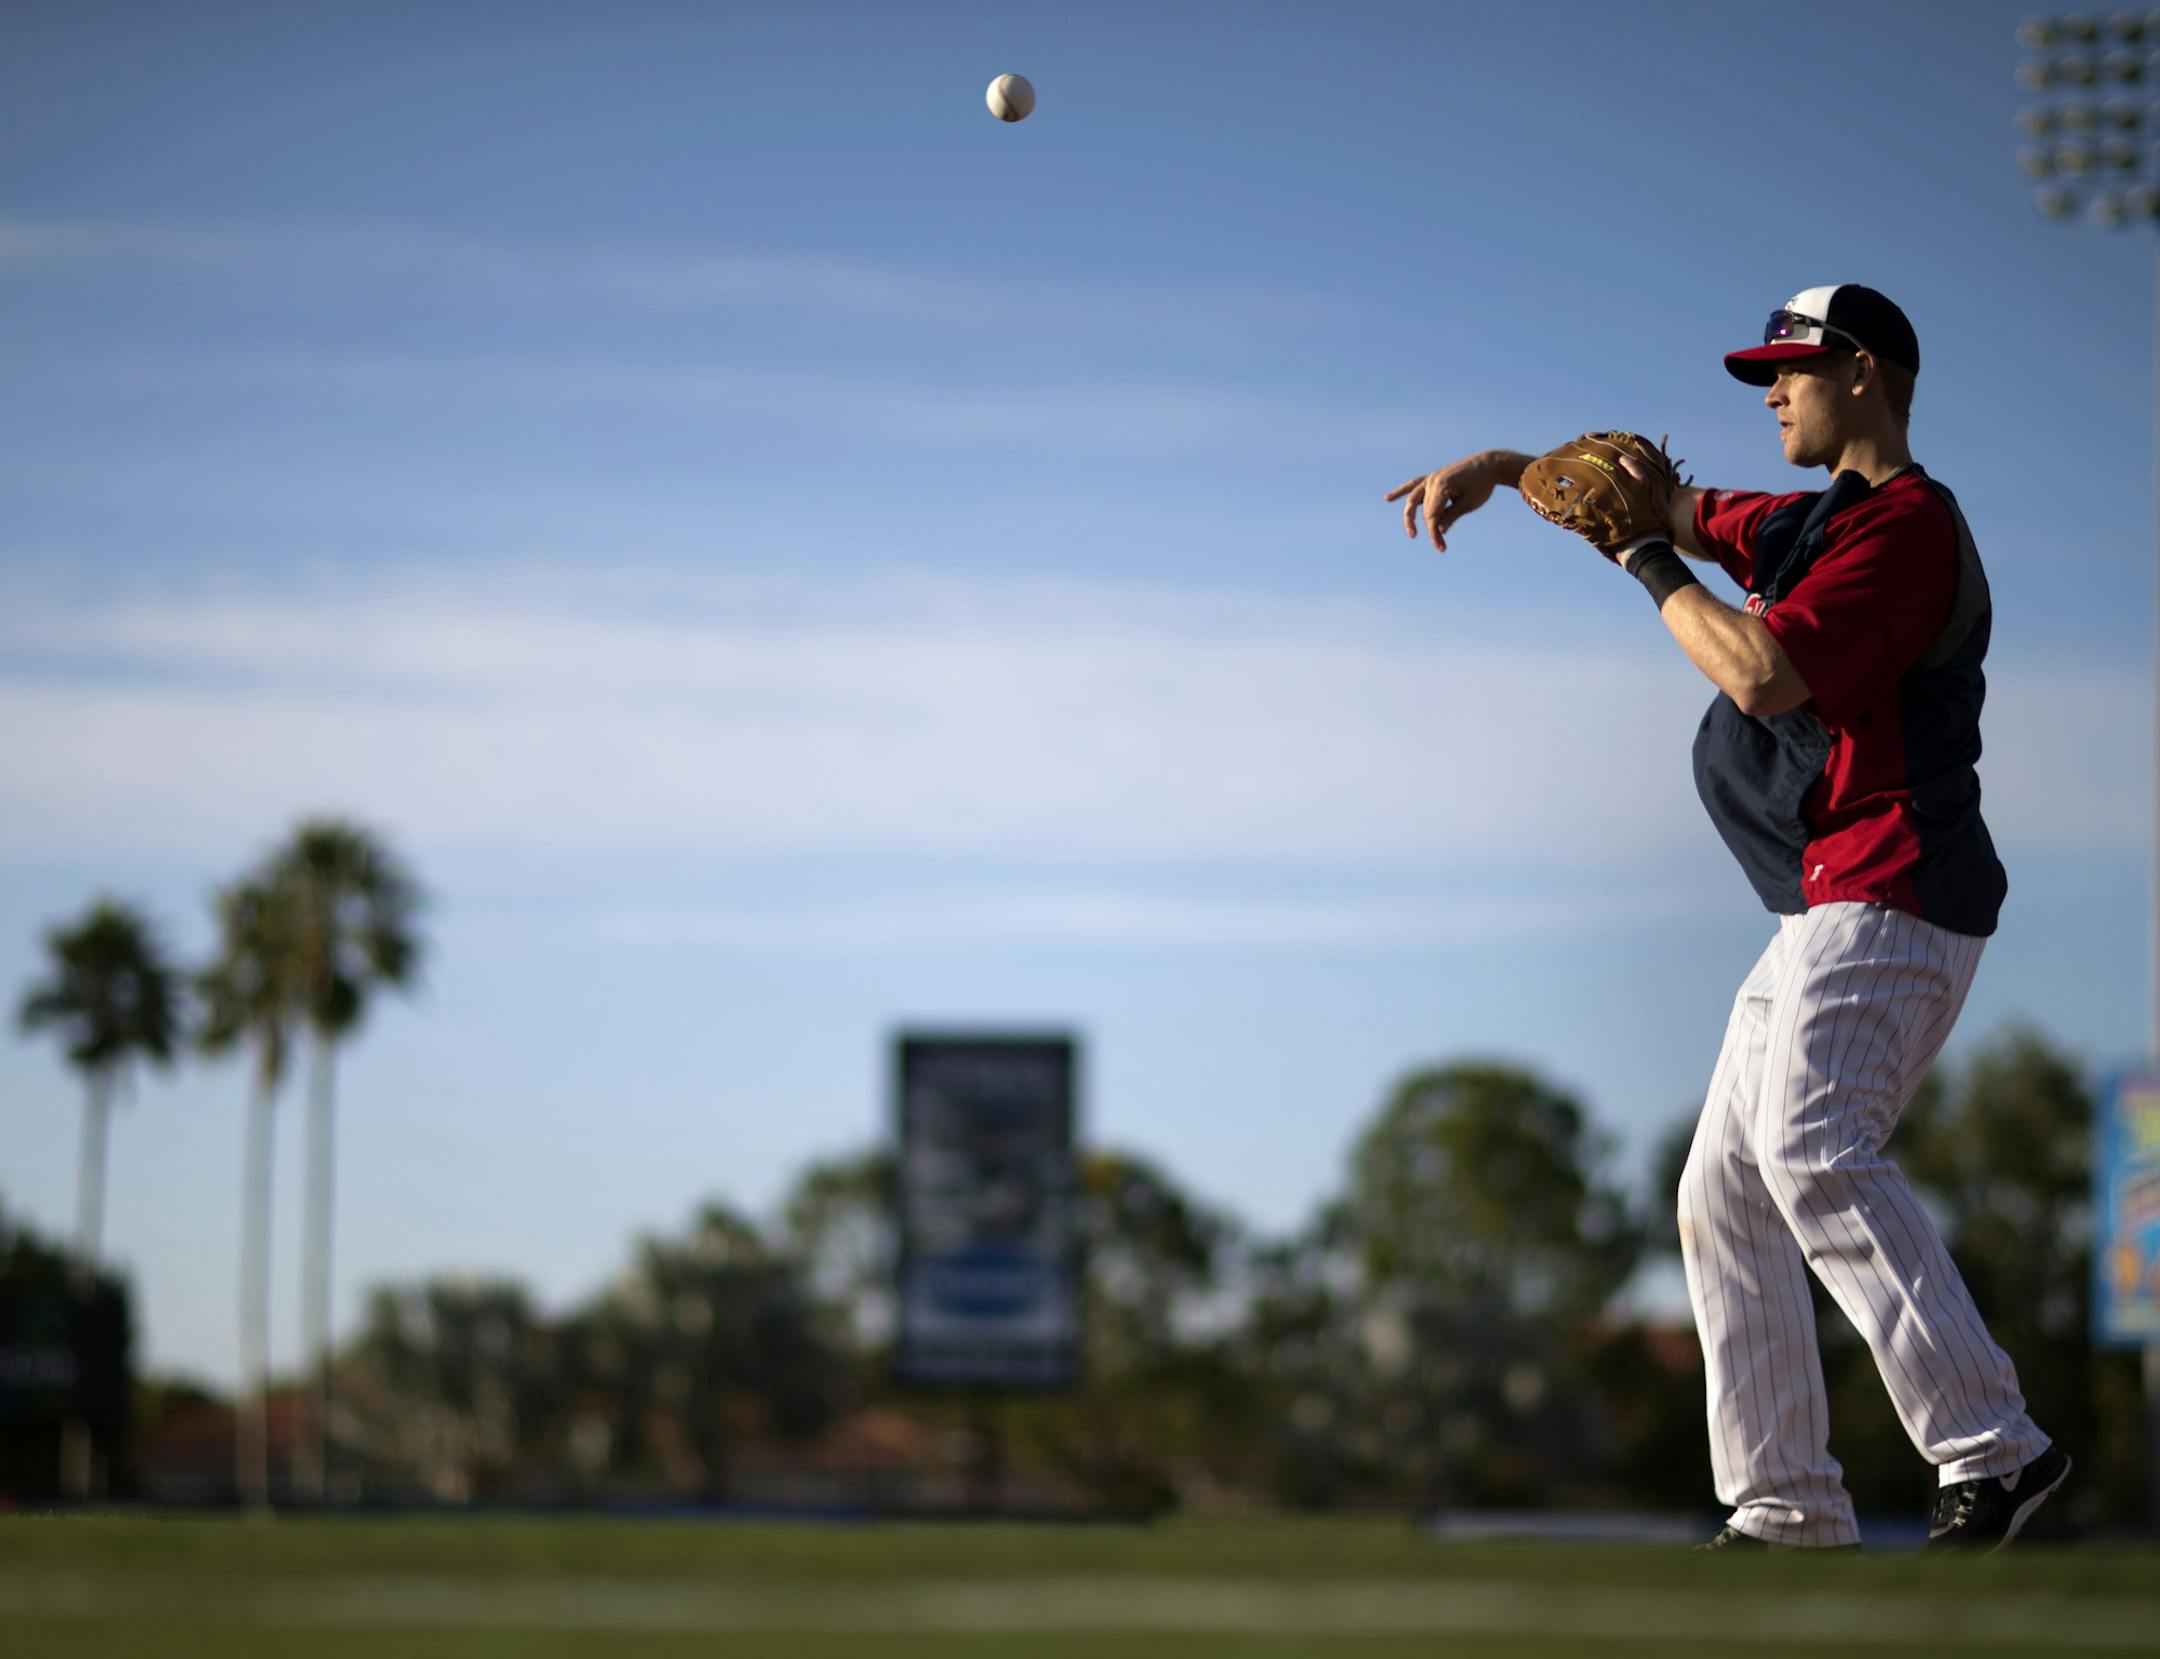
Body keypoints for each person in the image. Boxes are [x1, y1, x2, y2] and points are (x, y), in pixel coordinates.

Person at [1384, 285, 2070, 1553]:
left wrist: (1644, 562)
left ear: (1865, 372)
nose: (1769, 393)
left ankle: (1996, 1450)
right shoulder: (1820, 523)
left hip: (1897, 888)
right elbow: (1676, 509)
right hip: (1826, 904)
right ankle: (1785, 1502)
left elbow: (1762, 675)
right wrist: (1504, 467)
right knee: (1724, 1188)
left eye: (1791, 370)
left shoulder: (1909, 528)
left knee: (1811, 1145)